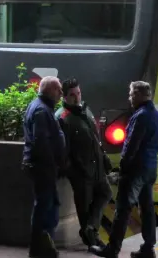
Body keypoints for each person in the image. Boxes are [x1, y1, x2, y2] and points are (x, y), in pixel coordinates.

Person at [91, 81, 158, 258]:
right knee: (147, 209)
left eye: (132, 94)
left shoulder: (139, 116)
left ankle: (112, 249)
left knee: (123, 209)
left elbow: (131, 146)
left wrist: (122, 169)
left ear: (140, 95)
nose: (130, 98)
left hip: (135, 170)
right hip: (150, 168)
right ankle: (148, 247)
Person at [55, 78, 112, 250]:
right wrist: (73, 170)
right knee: (84, 207)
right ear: (64, 97)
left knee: (106, 193)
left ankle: (90, 229)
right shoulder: (63, 118)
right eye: (72, 95)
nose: (77, 97)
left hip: (97, 166)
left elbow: (95, 138)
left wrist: (103, 158)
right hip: (81, 171)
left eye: (78, 93)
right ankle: (92, 241)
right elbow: (63, 150)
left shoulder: (85, 110)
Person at [22, 76, 66, 258]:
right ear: (50, 90)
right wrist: (53, 164)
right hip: (43, 167)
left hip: (44, 166)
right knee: (44, 207)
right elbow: (42, 142)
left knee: (50, 205)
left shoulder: (41, 107)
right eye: (59, 90)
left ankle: (44, 245)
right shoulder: (41, 110)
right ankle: (39, 248)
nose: (61, 94)